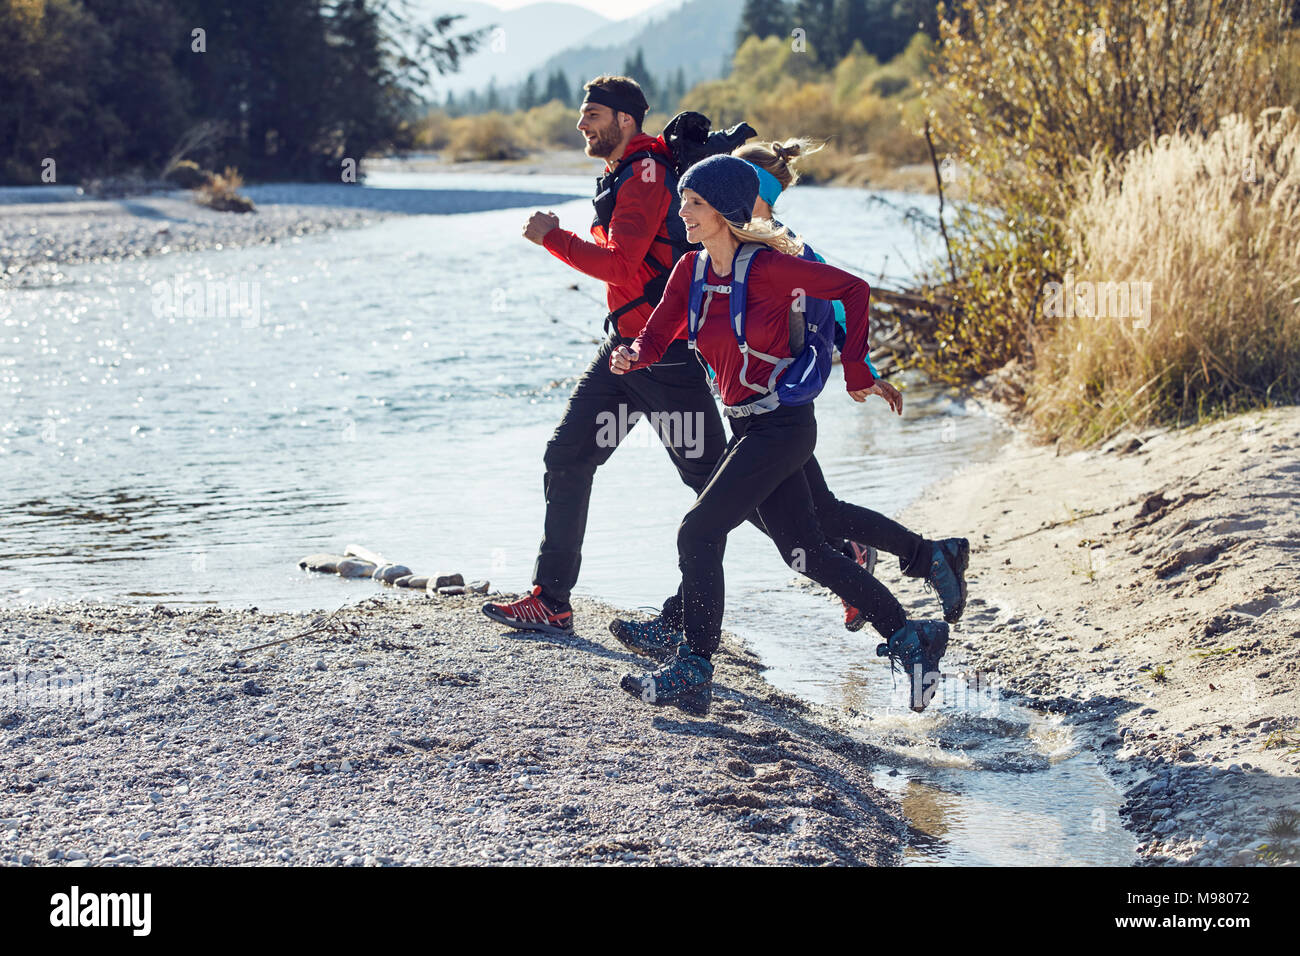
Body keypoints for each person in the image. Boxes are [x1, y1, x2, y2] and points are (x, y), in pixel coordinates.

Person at [611, 154, 952, 716]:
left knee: (698, 532)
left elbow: (854, 289)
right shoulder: (690, 272)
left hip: (783, 427)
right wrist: (633, 357)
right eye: (683, 201)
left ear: (725, 211)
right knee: (806, 552)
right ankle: (911, 637)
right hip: (745, 424)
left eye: (694, 203)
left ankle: (694, 668)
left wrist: (859, 371)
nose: (682, 212)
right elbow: (656, 336)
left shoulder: (770, 268)